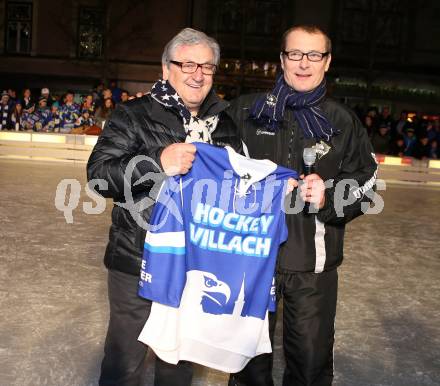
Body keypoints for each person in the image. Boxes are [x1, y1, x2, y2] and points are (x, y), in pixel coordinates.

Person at [87, 28, 243, 386]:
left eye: (207, 65)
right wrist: (157, 161)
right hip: (137, 261)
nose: (198, 73)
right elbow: (98, 176)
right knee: (125, 362)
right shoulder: (131, 115)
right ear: (165, 68)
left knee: (178, 360)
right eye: (187, 64)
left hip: (195, 267)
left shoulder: (227, 124)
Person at [227, 24, 377, 386]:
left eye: (314, 55)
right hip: (251, 262)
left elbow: (366, 186)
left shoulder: (343, 122)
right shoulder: (246, 111)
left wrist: (329, 196)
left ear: (327, 62)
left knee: (310, 366)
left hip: (313, 266)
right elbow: (212, 173)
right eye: (295, 53)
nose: (304, 63)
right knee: (247, 366)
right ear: (282, 59)